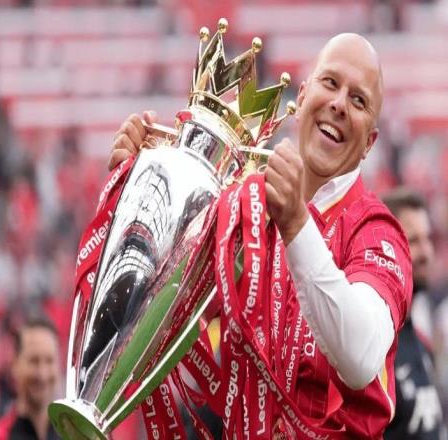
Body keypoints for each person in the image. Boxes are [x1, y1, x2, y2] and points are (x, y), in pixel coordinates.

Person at [108, 33, 412, 438]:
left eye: (359, 101)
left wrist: (296, 225)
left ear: (370, 143)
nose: (340, 104)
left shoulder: (377, 233)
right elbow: (157, 316)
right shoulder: (243, 208)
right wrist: (136, 199)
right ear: (301, 97)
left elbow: (360, 357)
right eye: (330, 83)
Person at [382, 189, 446, 439]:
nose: (427, 252)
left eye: (428, 239)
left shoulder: (421, 343)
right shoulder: (376, 345)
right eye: (415, 241)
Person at [0, 316, 61, 440]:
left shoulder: (72, 433)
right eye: (34, 361)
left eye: (49, 361)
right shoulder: (1, 435)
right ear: (15, 365)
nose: (42, 374)